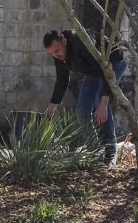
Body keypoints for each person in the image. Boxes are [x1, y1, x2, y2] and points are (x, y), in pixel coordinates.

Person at [43, 29, 128, 161]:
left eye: (57, 51)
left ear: (64, 41)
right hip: (93, 71)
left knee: (99, 102)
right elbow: (62, 81)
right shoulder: (58, 56)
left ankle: (110, 151)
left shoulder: (82, 42)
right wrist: (51, 110)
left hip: (112, 64)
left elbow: (106, 70)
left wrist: (103, 104)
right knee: (81, 111)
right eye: (51, 54)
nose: (56, 56)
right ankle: (95, 149)